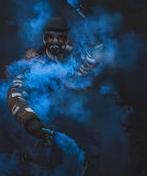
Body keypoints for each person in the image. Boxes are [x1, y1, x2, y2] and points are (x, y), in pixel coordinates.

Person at [6, 15, 104, 144]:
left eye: (60, 37)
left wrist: (90, 20)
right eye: (51, 37)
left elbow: (95, 56)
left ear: (66, 40)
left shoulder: (72, 64)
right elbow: (14, 93)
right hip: (44, 128)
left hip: (74, 126)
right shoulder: (34, 66)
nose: (55, 41)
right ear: (44, 39)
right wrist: (29, 120)